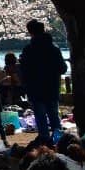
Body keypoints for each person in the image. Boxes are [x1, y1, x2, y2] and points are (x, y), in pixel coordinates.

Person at [19, 19, 67, 147]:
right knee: (54, 117)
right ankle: (58, 141)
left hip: (36, 90)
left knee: (40, 118)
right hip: (52, 88)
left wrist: (25, 86)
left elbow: (23, 72)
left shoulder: (28, 50)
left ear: (30, 32)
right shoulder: (54, 48)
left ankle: (45, 141)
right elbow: (63, 69)